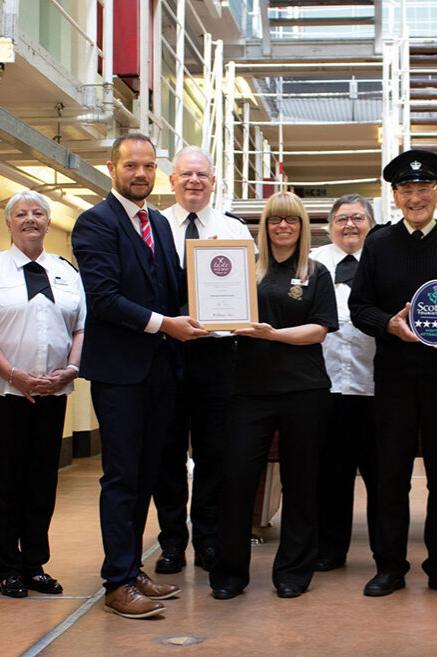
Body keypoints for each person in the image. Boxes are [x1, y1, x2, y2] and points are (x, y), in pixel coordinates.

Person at [71, 133, 206, 619]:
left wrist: (214, 307)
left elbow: (171, 289)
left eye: (149, 166)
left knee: (147, 476)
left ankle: (129, 570)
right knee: (123, 479)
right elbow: (104, 299)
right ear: (113, 168)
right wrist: (166, 324)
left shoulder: (159, 225)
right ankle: (115, 583)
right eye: (132, 166)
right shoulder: (95, 223)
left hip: (160, 371)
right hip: (121, 375)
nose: (141, 174)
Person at [349, 149, 437, 598]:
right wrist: (388, 324)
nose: (415, 196)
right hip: (394, 377)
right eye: (406, 189)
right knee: (391, 474)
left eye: (423, 188)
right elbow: (359, 306)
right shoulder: (378, 244)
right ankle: (389, 565)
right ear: (395, 195)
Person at [210, 191, 338, 600]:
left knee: (302, 483)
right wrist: (209, 271)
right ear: (263, 227)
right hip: (249, 391)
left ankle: (293, 573)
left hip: (305, 391)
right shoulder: (246, 270)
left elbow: (319, 329)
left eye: (291, 220)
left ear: (302, 228)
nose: (283, 227)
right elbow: (217, 310)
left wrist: (273, 334)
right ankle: (230, 573)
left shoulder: (316, 273)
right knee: (236, 478)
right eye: (274, 220)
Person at [0, 191, 86, 598]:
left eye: (38, 213)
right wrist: (14, 374)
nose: (30, 219)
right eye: (22, 214)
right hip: (4, 393)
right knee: (3, 482)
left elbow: (80, 329)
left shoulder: (67, 272)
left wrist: (70, 370)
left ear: (49, 224)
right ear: (9, 223)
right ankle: (8, 569)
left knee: (41, 481)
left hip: (54, 392)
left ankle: (34, 564)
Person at [153, 145, 254, 575]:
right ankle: (173, 542)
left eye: (202, 175)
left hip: (216, 355)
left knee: (214, 454)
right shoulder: (153, 228)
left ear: (214, 182)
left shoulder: (234, 230)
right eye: (186, 174)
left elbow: (247, 293)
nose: (194, 181)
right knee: (167, 452)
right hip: (165, 352)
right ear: (172, 181)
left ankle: (209, 540)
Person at [310, 193, 378, 572]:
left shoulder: (384, 261)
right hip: (328, 386)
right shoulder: (313, 263)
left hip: (376, 387)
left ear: (371, 222)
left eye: (357, 217)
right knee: (331, 477)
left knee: (381, 478)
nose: (349, 224)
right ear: (329, 225)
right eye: (341, 218)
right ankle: (330, 550)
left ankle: (387, 553)